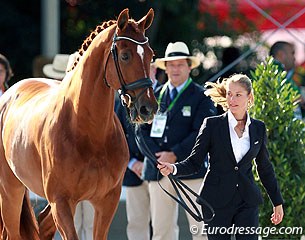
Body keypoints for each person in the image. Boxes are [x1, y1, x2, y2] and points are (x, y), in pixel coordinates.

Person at [158, 74, 284, 240]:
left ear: (249, 97)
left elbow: (264, 167)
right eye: (229, 94)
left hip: (247, 201)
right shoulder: (212, 125)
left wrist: (277, 202)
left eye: (238, 94)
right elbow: (195, 162)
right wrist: (174, 168)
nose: (232, 99)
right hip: (215, 201)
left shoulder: (258, 128)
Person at [136, 41, 217, 240]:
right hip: (158, 172)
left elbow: (202, 132)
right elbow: (140, 131)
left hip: (192, 171)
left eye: (180, 64)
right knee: (162, 231)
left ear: (189, 67)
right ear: (166, 68)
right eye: (171, 65)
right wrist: (159, 159)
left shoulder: (202, 96)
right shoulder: (154, 95)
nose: (175, 69)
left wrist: (174, 155)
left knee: (200, 229)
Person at [43, 52, 95, 240]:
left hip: (88, 174)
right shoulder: (50, 108)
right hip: (63, 176)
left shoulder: (91, 106)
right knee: (64, 220)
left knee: (87, 223)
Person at [115, 61, 159, 240]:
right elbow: (118, 137)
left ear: (154, 70)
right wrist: (132, 163)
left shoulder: (166, 93)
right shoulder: (126, 100)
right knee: (136, 223)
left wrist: (150, 163)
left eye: (147, 68)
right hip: (133, 173)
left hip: (159, 172)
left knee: (161, 224)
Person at [269, 41, 305, 118]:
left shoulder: (285, 74)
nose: (294, 58)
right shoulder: (273, 74)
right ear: (280, 54)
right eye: (292, 53)